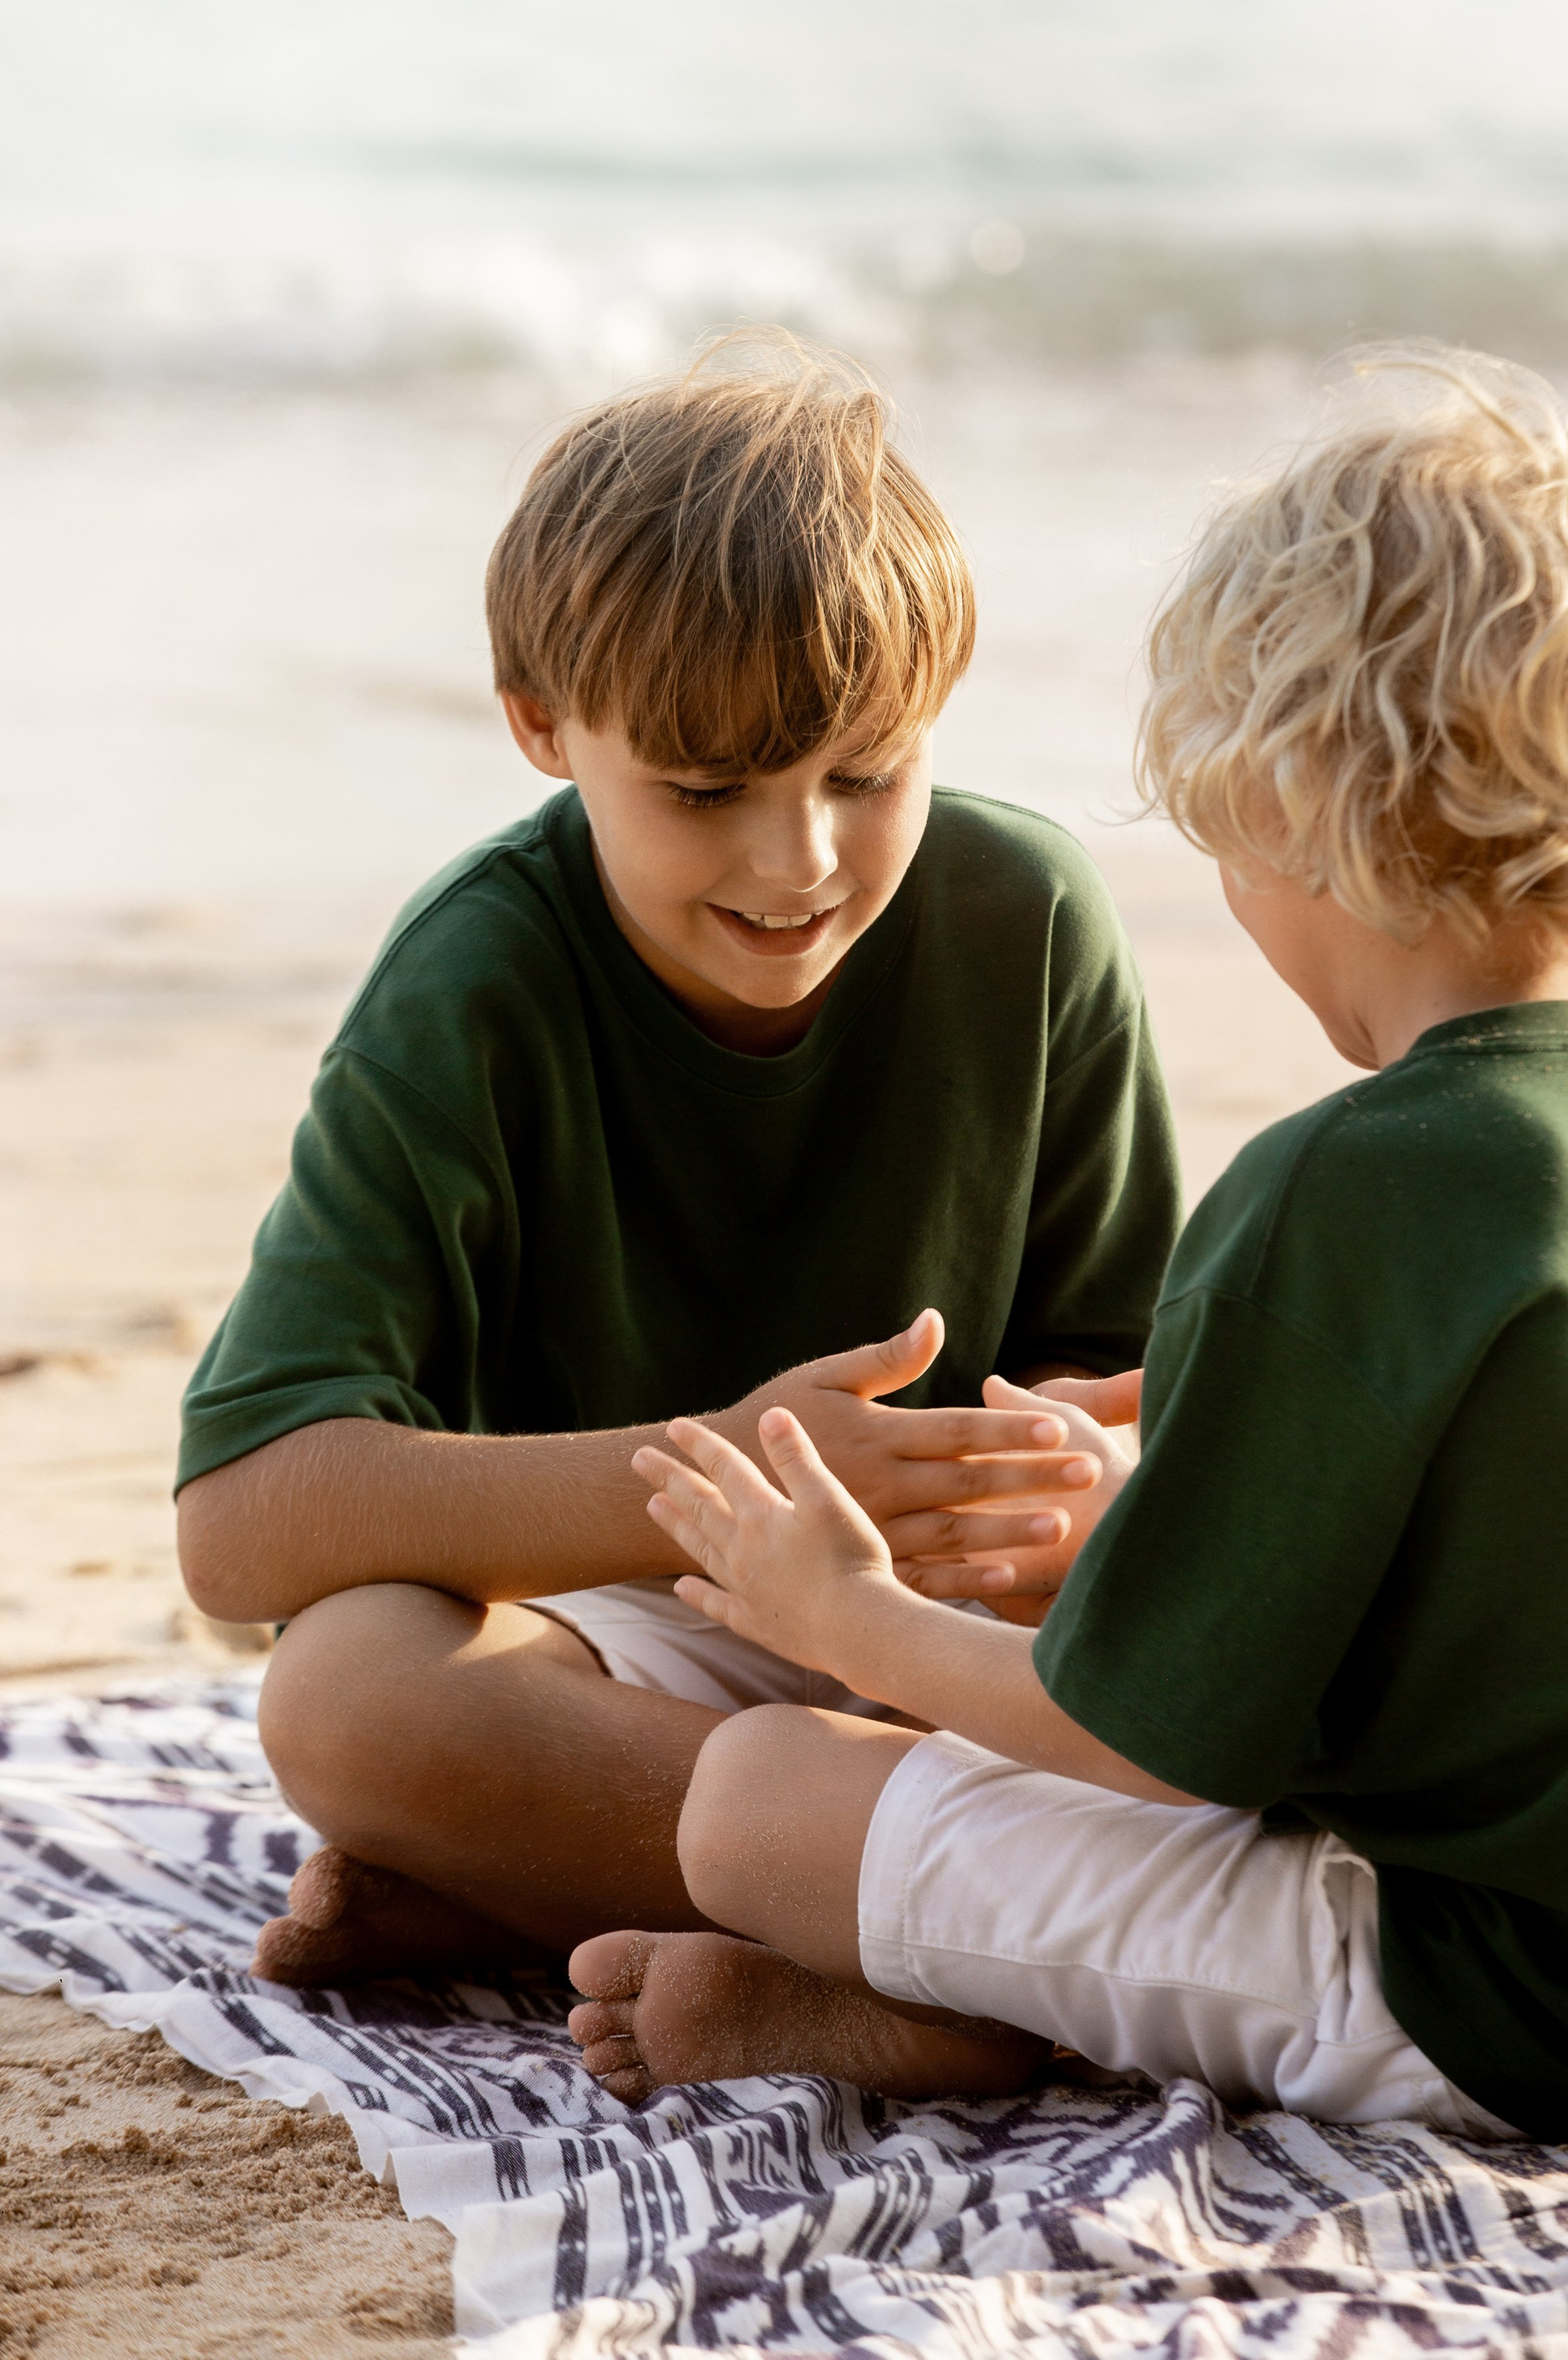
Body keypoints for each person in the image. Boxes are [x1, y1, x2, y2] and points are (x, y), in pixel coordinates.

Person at [563, 346, 1568, 2149]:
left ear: (1289, 803)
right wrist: (1155, 1521)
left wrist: (849, 1619)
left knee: (757, 1795)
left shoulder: (1344, 1185)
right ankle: (959, 1996)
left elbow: (1142, 1750)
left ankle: (948, 2022)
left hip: (1514, 2009)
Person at [174, 338, 1180, 1987]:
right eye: (706, 790)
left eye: (867, 773)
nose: (798, 860)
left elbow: (1126, 1379)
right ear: (541, 725)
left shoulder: (1029, 919)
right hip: (620, 1641)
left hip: (941, 1638)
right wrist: (713, 1475)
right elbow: (241, 1521)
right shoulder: (475, 982)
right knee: (347, 1694)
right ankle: (935, 1932)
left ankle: (587, 1894)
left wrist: (1042, 1482)